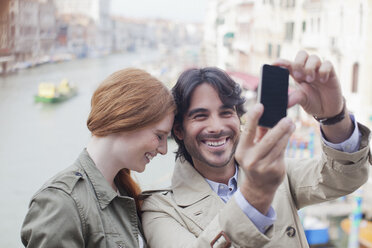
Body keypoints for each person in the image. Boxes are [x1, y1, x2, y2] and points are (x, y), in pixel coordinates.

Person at [141, 51, 371, 247]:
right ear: (179, 131)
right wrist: (254, 197)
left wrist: (334, 117)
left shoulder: (278, 172)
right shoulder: (159, 208)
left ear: (239, 118)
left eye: (226, 113)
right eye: (200, 116)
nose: (217, 127)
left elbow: (342, 178)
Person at [21, 68, 176, 248]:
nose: (164, 149)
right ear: (127, 120)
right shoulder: (62, 203)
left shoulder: (123, 192)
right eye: (159, 136)